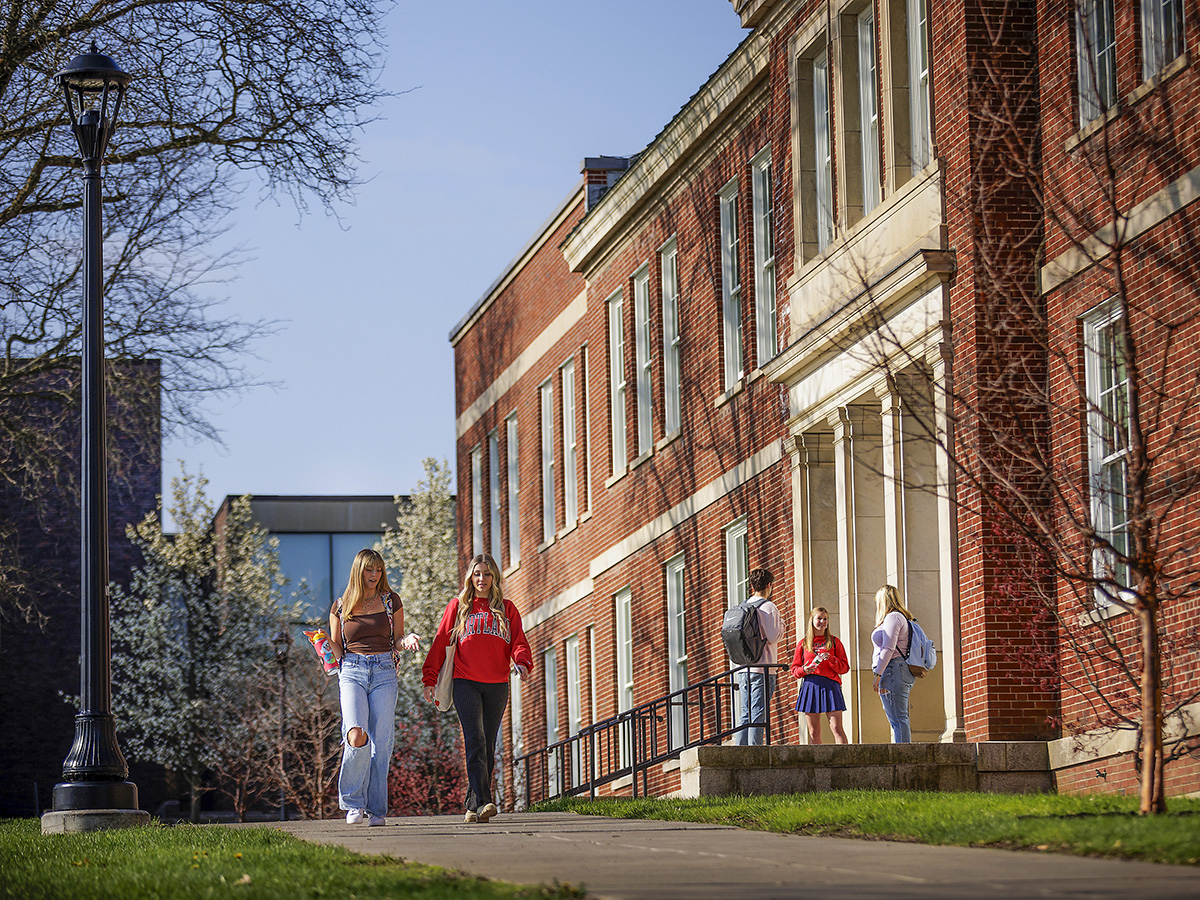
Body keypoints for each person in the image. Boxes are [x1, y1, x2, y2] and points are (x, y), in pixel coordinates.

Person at [423, 553, 533, 824]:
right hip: (465, 682)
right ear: (470, 577)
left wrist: (521, 662)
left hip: (497, 684)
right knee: (475, 739)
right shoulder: (458, 607)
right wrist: (429, 678)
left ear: (494, 577)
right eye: (476, 574)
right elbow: (440, 643)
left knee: (488, 743)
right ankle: (485, 800)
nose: (481, 579)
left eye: (486, 573)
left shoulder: (507, 608)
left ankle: (473, 806)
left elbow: (518, 641)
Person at [328, 548, 419, 827]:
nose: (374, 575)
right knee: (356, 733)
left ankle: (377, 809)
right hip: (352, 671)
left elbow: (398, 639)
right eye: (369, 570)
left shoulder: (391, 601)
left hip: (383, 672)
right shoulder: (340, 607)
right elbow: (336, 648)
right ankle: (353, 803)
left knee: (382, 741)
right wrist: (320, 642)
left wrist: (409, 639)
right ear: (359, 571)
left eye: (378, 570)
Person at [734, 567, 783, 746]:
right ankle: (756, 751)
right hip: (763, 668)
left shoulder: (744, 605)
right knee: (758, 713)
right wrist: (782, 625)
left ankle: (741, 750)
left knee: (746, 713)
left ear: (752, 586)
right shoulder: (768, 606)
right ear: (769, 586)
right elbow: (773, 636)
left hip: (744, 668)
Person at [791, 606, 850, 744]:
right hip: (810, 686)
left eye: (825, 619)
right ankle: (818, 763)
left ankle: (845, 762)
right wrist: (805, 670)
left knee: (836, 728)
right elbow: (795, 670)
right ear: (812, 620)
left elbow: (844, 668)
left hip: (831, 685)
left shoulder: (834, 642)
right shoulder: (803, 643)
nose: (822, 622)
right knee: (813, 731)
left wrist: (831, 658)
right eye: (819, 618)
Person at [871, 584, 921, 743]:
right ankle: (902, 752)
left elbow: (888, 647)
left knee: (898, 718)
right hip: (896, 669)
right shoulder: (899, 617)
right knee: (897, 717)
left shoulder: (893, 617)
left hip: (893, 669)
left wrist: (878, 674)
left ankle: (903, 755)